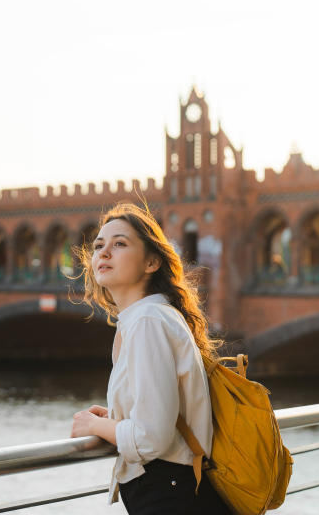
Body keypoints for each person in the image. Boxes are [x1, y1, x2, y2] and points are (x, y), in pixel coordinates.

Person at [69, 202, 230, 514]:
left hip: (169, 494)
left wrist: (95, 426)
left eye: (120, 244)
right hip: (177, 490)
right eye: (99, 245)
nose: (103, 253)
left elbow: (152, 438)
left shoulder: (147, 321)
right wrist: (117, 418)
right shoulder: (146, 318)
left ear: (152, 262)